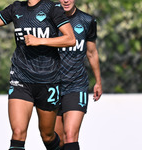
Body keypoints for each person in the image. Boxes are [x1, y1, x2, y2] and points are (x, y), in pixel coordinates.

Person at [0, 0, 76, 149]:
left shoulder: (52, 8)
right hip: (21, 77)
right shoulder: (16, 7)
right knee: (18, 132)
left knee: (47, 135)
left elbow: (70, 39)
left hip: (48, 80)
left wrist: (40, 41)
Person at [54, 0, 103, 150]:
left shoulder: (87, 20)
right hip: (51, 85)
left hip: (76, 85)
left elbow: (92, 52)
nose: (66, 0)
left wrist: (98, 82)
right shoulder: (49, 18)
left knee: (70, 136)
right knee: (56, 140)